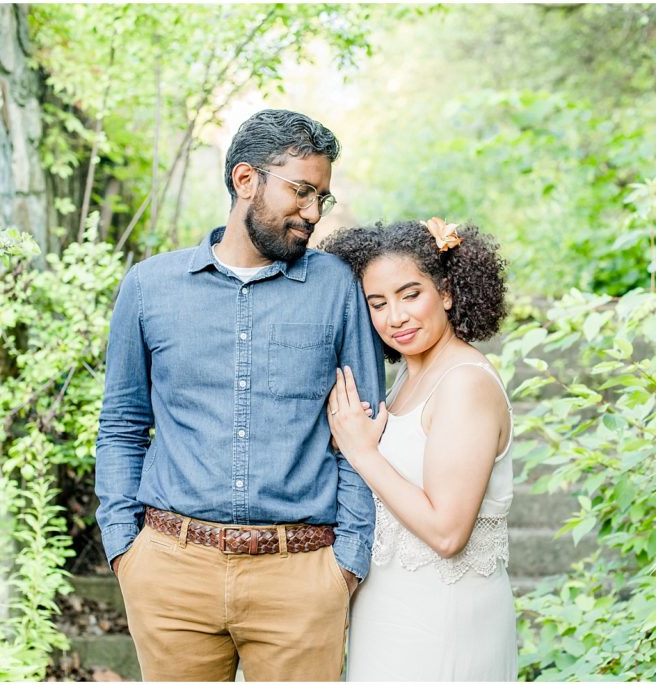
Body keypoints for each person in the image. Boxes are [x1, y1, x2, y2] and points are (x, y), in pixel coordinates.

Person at [94, 109, 385, 682]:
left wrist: (347, 561)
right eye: (301, 191)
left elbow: (365, 429)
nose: (313, 213)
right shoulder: (149, 288)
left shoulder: (339, 288)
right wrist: (125, 547)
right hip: (170, 572)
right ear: (245, 179)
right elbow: (123, 426)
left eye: (322, 197)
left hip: (302, 575)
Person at [320, 217, 517, 681]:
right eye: (378, 303)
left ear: (446, 292)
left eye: (411, 295)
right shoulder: (410, 377)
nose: (396, 317)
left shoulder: (464, 382)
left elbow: (448, 533)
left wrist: (362, 453)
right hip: (390, 612)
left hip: (445, 619)